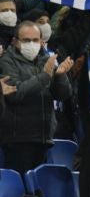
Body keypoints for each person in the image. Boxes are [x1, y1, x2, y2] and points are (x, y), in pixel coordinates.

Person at [0, 20, 73, 175]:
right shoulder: (6, 61)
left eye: (35, 40)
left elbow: (63, 95)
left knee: (39, 191)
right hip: (18, 139)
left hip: (44, 137)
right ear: (15, 42)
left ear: (41, 41)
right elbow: (14, 93)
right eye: (26, 40)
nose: (31, 44)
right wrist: (44, 76)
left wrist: (60, 76)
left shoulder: (46, 60)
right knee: (21, 193)